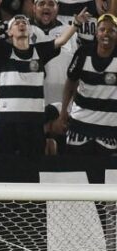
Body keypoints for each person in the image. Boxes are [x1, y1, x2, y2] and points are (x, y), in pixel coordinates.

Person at [0, 2, 86, 156]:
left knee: (33, 165)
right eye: (17, 23)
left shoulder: (39, 51)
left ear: (30, 30)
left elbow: (61, 41)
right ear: (9, 32)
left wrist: (76, 24)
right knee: (2, 164)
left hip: (33, 121)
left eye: (24, 22)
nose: (21, 24)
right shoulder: (5, 50)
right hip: (7, 120)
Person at [61, 13, 117, 155]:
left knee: (107, 176)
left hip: (109, 129)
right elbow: (70, 82)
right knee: (75, 173)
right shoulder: (83, 52)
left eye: (112, 31)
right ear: (96, 33)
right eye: (103, 29)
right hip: (79, 125)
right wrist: (63, 113)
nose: (106, 34)